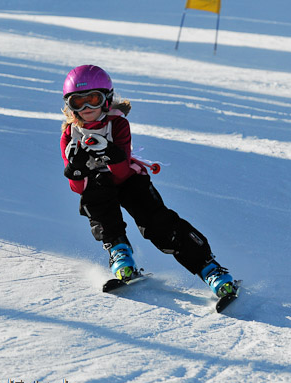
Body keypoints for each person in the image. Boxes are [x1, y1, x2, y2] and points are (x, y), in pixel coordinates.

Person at [59, 65, 238, 298]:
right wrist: (77, 169)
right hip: (99, 186)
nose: (86, 108)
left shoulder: (117, 124)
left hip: (130, 180)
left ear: (107, 99)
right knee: (95, 197)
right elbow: (78, 188)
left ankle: (210, 269)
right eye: (78, 102)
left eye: (93, 99)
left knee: (159, 226)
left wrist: (112, 154)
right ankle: (119, 250)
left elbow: (122, 174)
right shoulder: (69, 136)